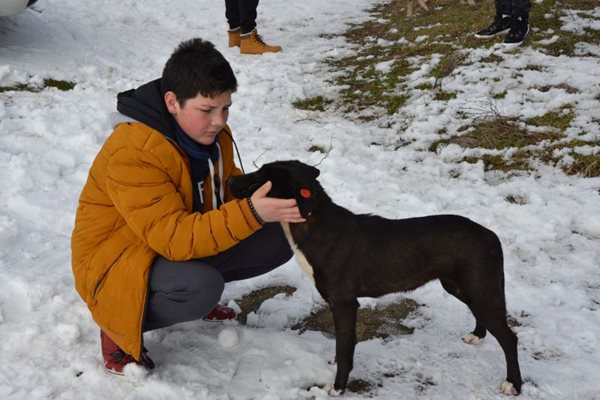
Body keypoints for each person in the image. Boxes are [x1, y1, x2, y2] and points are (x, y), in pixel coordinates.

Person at [71, 38, 303, 374]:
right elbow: (173, 238)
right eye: (207, 110)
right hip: (116, 264)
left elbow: (226, 195)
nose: (219, 120)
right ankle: (119, 327)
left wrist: (270, 190)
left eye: (225, 109)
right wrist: (251, 212)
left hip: (165, 246)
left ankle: (191, 299)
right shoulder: (134, 151)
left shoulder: (211, 136)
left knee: (279, 233)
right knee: (201, 287)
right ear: (172, 102)